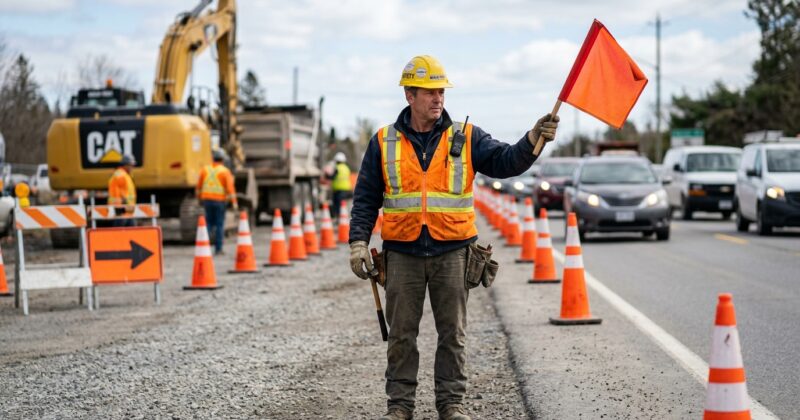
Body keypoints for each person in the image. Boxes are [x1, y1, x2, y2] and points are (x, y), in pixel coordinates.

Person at [348, 55, 559, 420]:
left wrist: (533, 138)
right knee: (401, 336)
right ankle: (400, 407)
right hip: (402, 254)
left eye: (441, 92)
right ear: (410, 95)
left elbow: (506, 161)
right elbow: (365, 197)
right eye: (430, 92)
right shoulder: (384, 141)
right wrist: (357, 243)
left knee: (453, 335)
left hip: (453, 253)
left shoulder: (467, 136)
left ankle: (451, 405)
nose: (438, 99)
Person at [197, 149, 238, 255]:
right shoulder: (225, 171)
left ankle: (203, 247)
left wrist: (199, 198)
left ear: (213, 158)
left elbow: (198, 187)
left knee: (208, 224)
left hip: (207, 200)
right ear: (223, 159)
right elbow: (230, 188)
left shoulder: (205, 170)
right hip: (219, 201)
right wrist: (234, 203)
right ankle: (218, 249)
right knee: (219, 224)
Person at [108, 155, 137, 227]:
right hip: (121, 210)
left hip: (128, 210)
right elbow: (116, 193)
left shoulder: (126, 175)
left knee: (131, 231)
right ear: (125, 165)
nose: (132, 167)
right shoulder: (120, 175)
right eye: (131, 165)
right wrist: (120, 206)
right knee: (119, 231)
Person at [328, 152, 352, 220]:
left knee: (337, 205)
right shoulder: (346, 168)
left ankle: (339, 218)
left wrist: (327, 176)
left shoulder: (337, 168)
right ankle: (344, 217)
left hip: (338, 189)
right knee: (343, 204)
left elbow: (332, 177)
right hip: (346, 189)